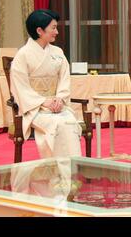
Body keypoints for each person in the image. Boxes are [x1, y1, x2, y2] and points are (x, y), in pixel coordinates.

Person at [10, 9, 82, 159]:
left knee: (69, 122)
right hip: (35, 109)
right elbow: (20, 88)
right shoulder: (22, 55)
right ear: (39, 30)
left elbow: (64, 79)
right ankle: (55, 171)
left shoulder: (58, 52)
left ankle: (71, 170)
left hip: (57, 105)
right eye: (53, 28)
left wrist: (60, 99)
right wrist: (44, 102)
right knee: (56, 125)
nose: (56, 32)